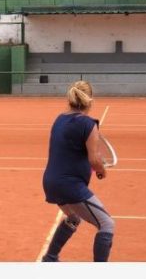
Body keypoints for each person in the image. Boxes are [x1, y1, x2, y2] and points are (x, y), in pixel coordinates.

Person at [41, 80, 115, 263]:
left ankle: (50, 258)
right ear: (90, 100)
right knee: (107, 224)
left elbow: (69, 149)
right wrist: (101, 170)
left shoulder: (59, 119)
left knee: (73, 218)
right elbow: (94, 159)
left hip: (51, 182)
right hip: (70, 185)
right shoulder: (88, 124)